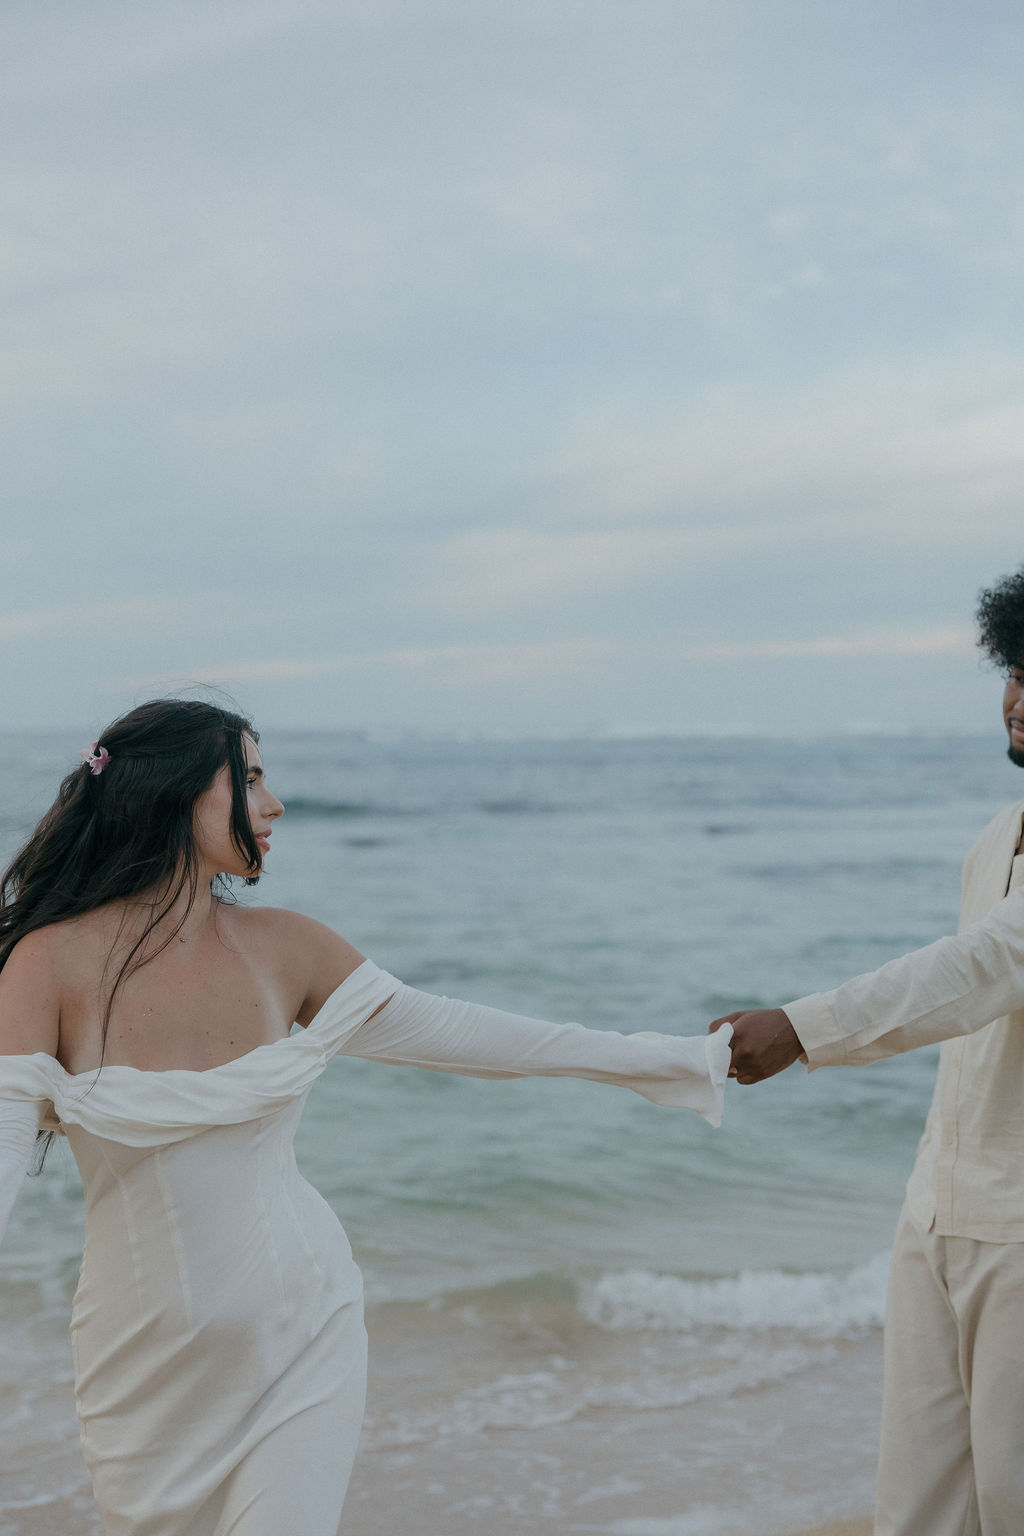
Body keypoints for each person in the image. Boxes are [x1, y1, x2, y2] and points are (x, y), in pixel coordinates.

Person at [0, 698, 732, 1536]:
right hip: (143, 1361)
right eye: (249, 778)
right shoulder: (48, 962)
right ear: (172, 793)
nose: (273, 805)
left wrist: (669, 1057)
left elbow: (464, 1033)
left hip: (305, 1329)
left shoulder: (288, 947)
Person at [711, 566, 1024, 1536]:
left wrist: (806, 1029)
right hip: (937, 1213)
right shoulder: (994, 837)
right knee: (918, 1509)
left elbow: (980, 968)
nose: (1016, 699)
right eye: (1014, 671)